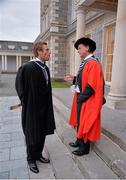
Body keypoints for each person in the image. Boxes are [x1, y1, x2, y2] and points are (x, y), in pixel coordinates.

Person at [15, 42, 56, 173]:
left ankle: (38, 155)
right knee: (32, 133)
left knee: (42, 132)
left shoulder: (45, 68)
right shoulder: (28, 67)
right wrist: (25, 101)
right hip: (32, 108)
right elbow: (19, 85)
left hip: (44, 107)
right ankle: (30, 159)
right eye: (47, 49)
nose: (49, 52)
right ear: (39, 52)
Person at [64, 37, 105, 156]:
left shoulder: (93, 63)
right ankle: (79, 140)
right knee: (79, 120)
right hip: (82, 97)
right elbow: (85, 80)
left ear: (87, 48)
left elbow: (91, 85)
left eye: (80, 47)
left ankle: (84, 148)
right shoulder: (86, 62)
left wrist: (81, 98)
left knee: (84, 121)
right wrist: (74, 79)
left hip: (87, 99)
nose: (78, 50)